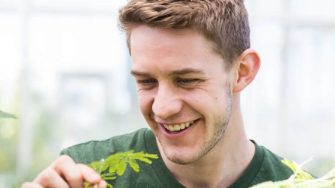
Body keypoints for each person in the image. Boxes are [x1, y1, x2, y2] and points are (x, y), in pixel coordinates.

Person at [22, 0, 311, 187]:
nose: (162, 108)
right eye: (146, 81)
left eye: (186, 80)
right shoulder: (87, 172)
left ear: (243, 71)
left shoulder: (298, 184)